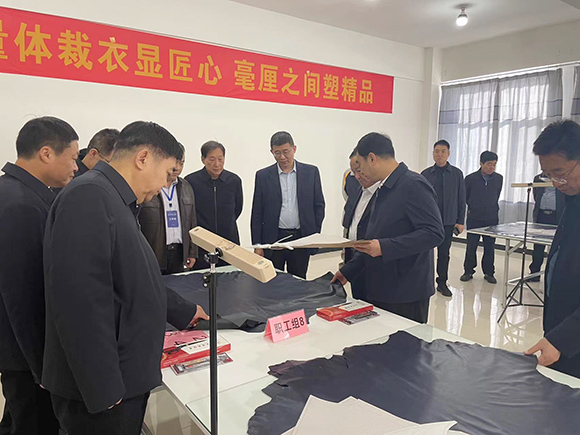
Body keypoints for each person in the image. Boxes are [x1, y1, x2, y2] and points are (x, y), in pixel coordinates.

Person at [42, 121, 209, 435]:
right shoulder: (89, 196)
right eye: (167, 173)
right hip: (103, 393)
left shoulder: (115, 199)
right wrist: (103, 387)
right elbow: (80, 302)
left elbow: (133, 276)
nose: (164, 186)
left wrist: (180, 310)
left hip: (123, 379)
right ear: (143, 158)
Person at [0, 116, 79, 435]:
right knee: (32, 422)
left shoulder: (14, 191)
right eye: (72, 158)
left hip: (17, 350)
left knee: (17, 416)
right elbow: (22, 296)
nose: (75, 167)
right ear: (46, 153)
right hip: (25, 354)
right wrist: (42, 367)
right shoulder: (21, 205)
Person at [332, 133, 444, 323]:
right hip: (381, 287)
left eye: (360, 164)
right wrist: (348, 271)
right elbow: (375, 237)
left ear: (372, 158)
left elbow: (434, 233)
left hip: (405, 293)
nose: (359, 172)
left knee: (404, 341)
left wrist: (385, 247)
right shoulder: (383, 188)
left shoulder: (413, 185)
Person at [525, 120, 580, 379]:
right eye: (548, 175)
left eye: (560, 172)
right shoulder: (572, 197)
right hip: (562, 335)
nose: (556, 183)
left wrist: (562, 338)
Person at [251, 131, 325, 279]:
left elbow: (319, 205)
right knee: (273, 281)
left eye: (286, 152)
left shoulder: (311, 172)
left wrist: (314, 233)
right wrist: (258, 245)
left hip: (301, 239)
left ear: (294, 149)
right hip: (274, 239)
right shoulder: (263, 176)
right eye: (277, 153)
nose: (282, 157)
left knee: (298, 280)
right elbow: (257, 212)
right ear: (272, 152)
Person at [139, 143, 198, 275]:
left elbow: (192, 221)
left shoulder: (186, 186)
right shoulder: (148, 185)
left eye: (181, 163)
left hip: (179, 252)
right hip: (154, 249)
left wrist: (192, 252)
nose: (177, 167)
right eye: (175, 162)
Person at [185, 141, 243, 269]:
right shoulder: (191, 181)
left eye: (220, 159)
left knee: (230, 278)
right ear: (203, 159)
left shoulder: (234, 181)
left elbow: (237, 209)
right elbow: (189, 213)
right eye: (212, 159)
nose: (217, 164)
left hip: (229, 243)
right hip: (202, 244)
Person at [421, 139, 466, 297]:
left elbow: (461, 198)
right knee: (424, 252)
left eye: (443, 151)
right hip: (428, 221)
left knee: (444, 253)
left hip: (447, 220)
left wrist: (460, 221)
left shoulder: (457, 174)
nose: (439, 154)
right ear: (433, 154)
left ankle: (442, 282)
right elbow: (420, 198)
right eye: (436, 151)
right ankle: (423, 281)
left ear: (448, 153)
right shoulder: (425, 174)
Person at [461, 151, 503, 284]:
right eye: (489, 164)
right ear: (481, 163)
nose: (492, 167)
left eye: (494, 165)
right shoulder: (470, 179)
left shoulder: (498, 178)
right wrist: (474, 206)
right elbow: (465, 197)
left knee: (489, 247)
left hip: (491, 218)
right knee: (471, 246)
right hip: (475, 217)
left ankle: (489, 273)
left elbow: (496, 194)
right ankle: (468, 271)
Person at [343, 149, 380, 299]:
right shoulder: (359, 190)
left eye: (359, 171)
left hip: (372, 265)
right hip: (354, 260)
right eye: (354, 172)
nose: (357, 176)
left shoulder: (382, 194)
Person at [528, 172, 565, 281]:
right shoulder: (538, 178)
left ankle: (553, 274)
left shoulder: (562, 178)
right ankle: (534, 273)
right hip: (541, 214)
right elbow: (536, 196)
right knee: (538, 246)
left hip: (556, 216)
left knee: (556, 246)